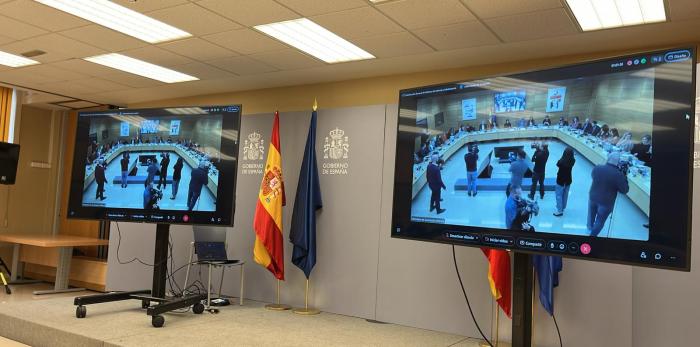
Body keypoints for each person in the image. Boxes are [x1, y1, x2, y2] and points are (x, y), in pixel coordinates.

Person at [588, 152, 629, 237]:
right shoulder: (619, 175)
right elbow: (624, 190)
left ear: (608, 159)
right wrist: (624, 176)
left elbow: (593, 176)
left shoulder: (597, 167)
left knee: (591, 215)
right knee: (600, 220)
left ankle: (589, 227)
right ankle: (592, 236)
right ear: (618, 162)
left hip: (593, 196)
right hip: (606, 202)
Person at [554, 148, 575, 216]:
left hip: (560, 180)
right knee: (565, 195)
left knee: (558, 195)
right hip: (568, 180)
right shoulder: (573, 160)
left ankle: (559, 210)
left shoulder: (561, 162)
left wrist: (562, 157)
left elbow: (557, 164)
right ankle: (563, 207)